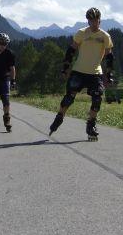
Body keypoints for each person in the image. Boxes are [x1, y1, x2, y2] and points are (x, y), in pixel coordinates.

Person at [49, 7, 114, 140]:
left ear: (99, 20)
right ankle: (60, 117)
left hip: (95, 73)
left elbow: (109, 57)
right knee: (69, 97)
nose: (94, 23)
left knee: (97, 98)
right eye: (91, 20)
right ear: (88, 21)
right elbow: (71, 51)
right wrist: (65, 67)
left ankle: (91, 125)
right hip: (79, 71)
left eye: (96, 20)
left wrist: (108, 74)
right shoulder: (81, 33)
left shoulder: (105, 36)